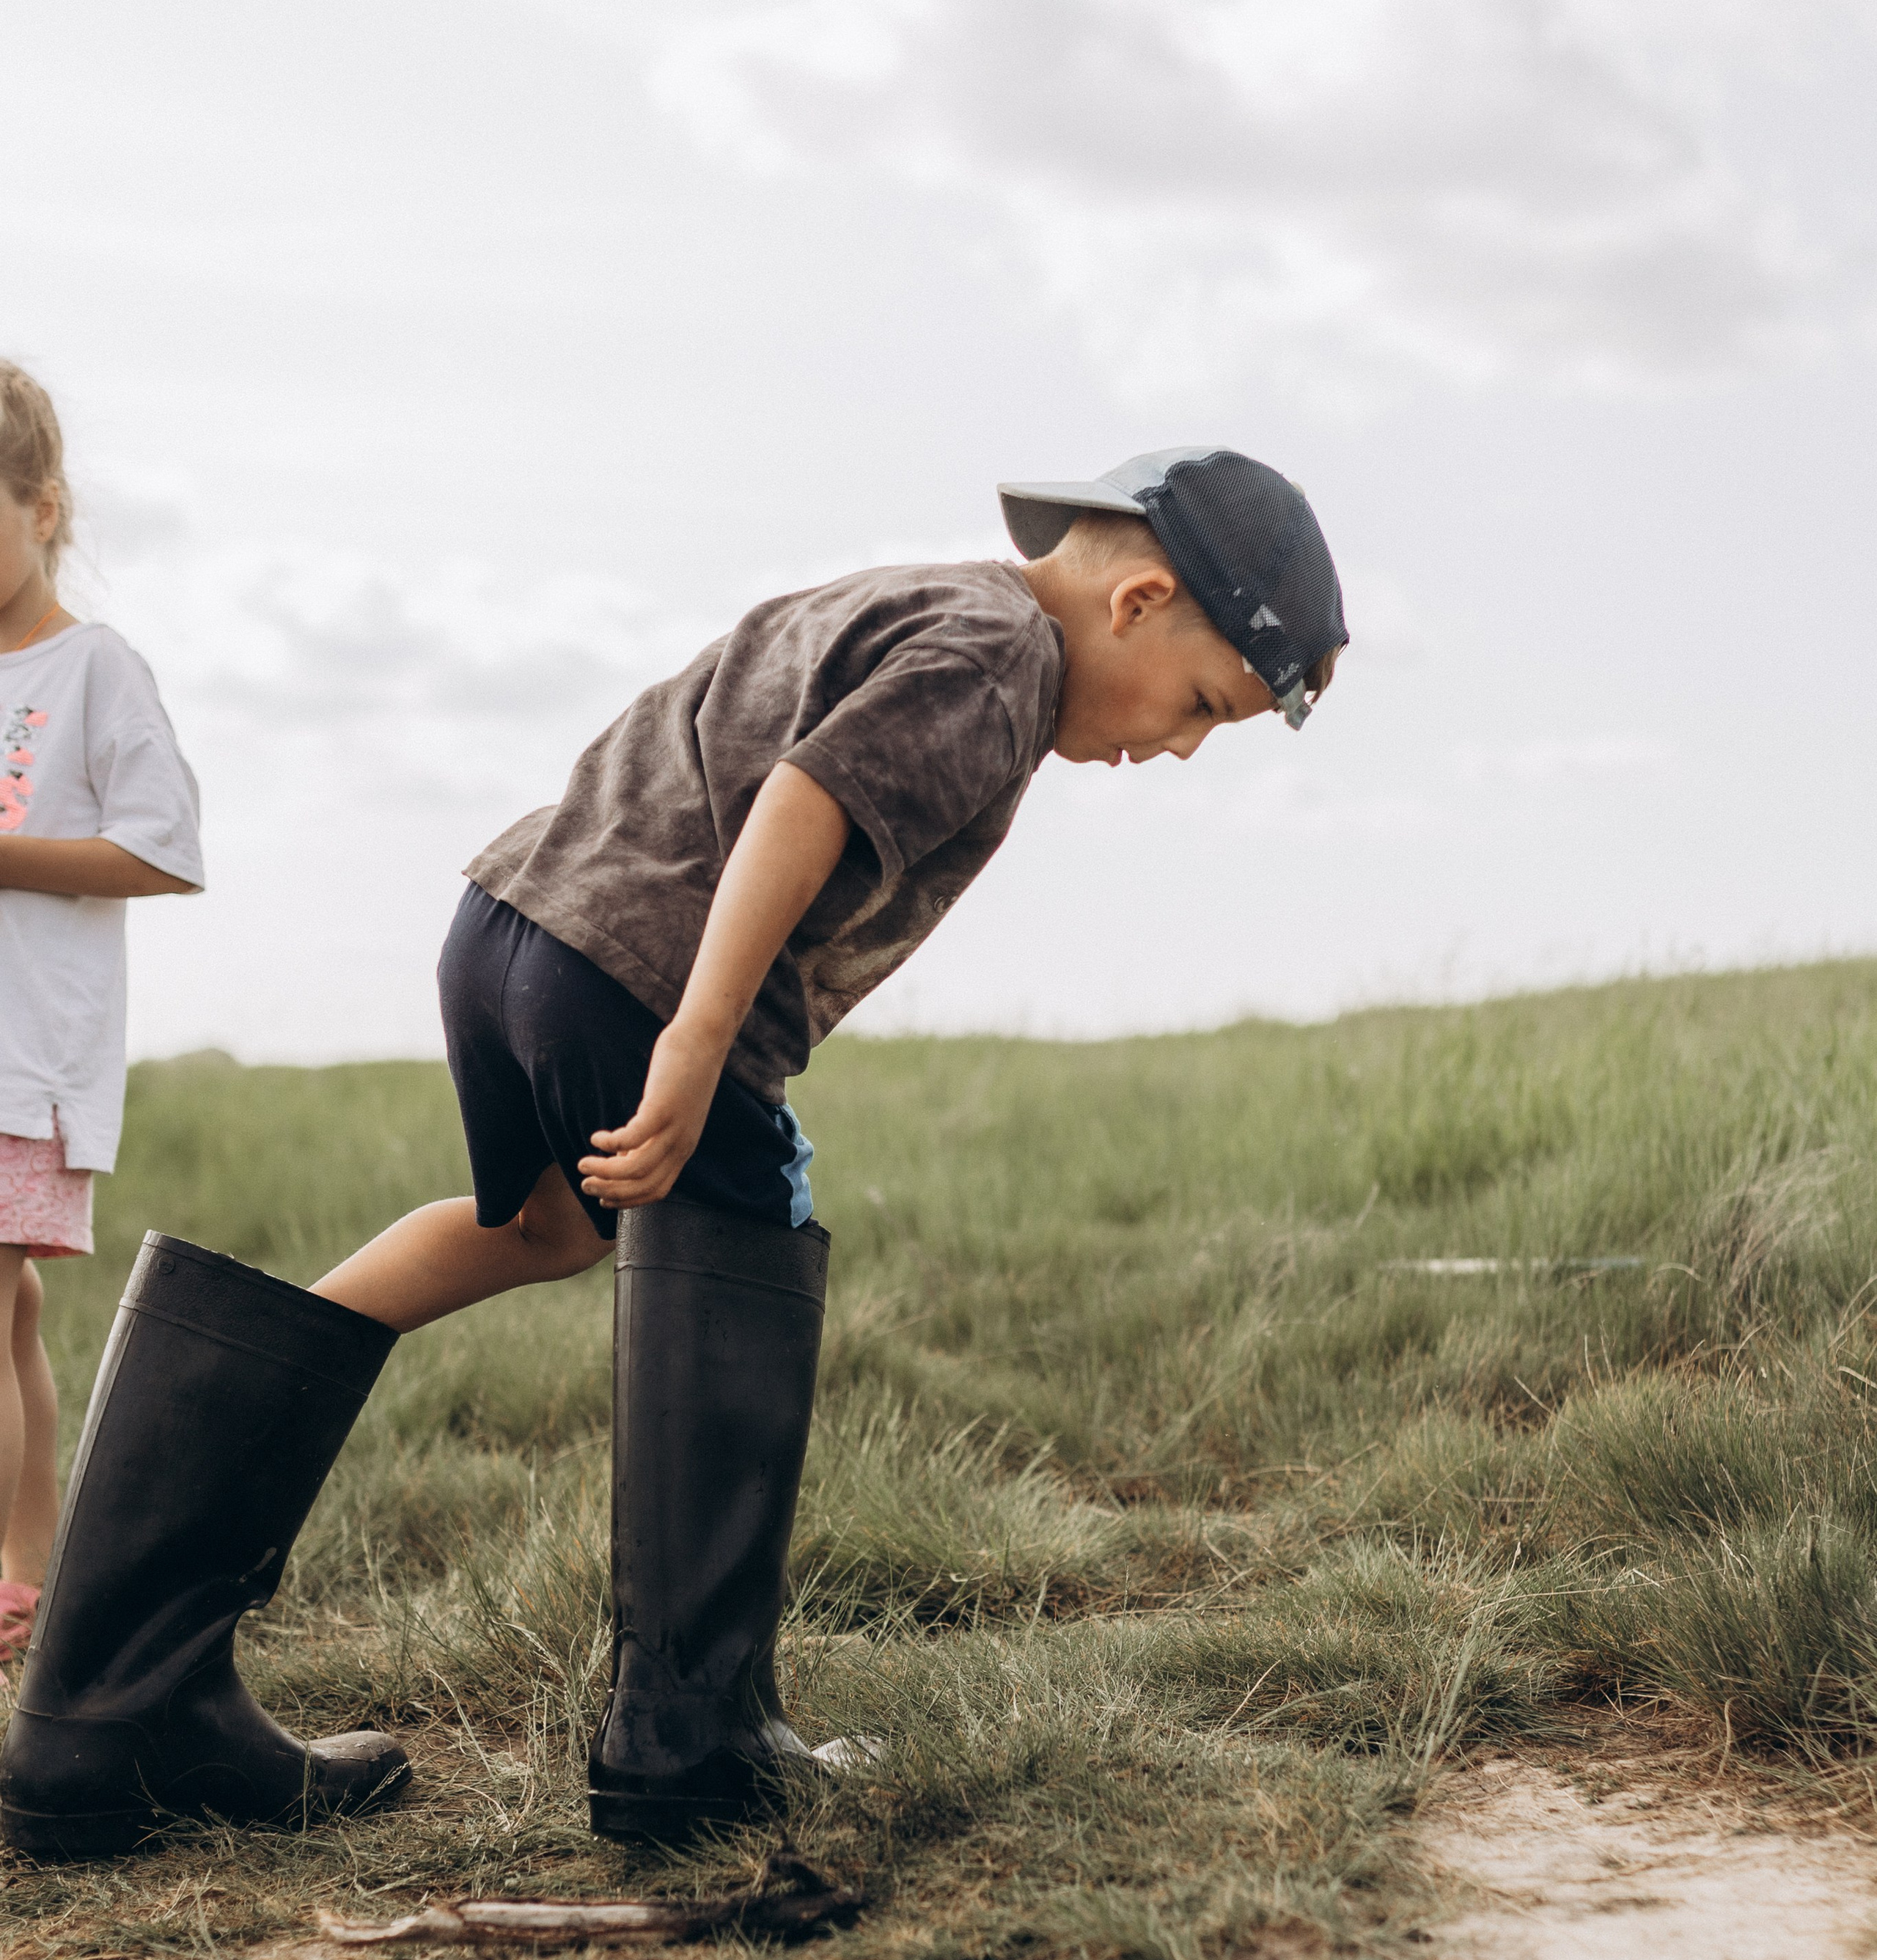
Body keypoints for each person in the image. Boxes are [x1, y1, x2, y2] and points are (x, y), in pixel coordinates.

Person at [0, 447, 1347, 1860]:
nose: (1180, 747)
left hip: (514, 924)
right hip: (645, 978)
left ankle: (108, 1697)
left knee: (544, 1230)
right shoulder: (1003, 652)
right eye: (1206, 705)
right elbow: (803, 800)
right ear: (1138, 598)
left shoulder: (918, 596)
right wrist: (703, 1044)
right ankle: (693, 1741)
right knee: (747, 1231)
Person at [0, 364, 202, 1673]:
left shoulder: (94, 668)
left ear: (45, 505)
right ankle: (29, 1590)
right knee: (7, 1313)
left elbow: (164, 847)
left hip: (21, 1061)